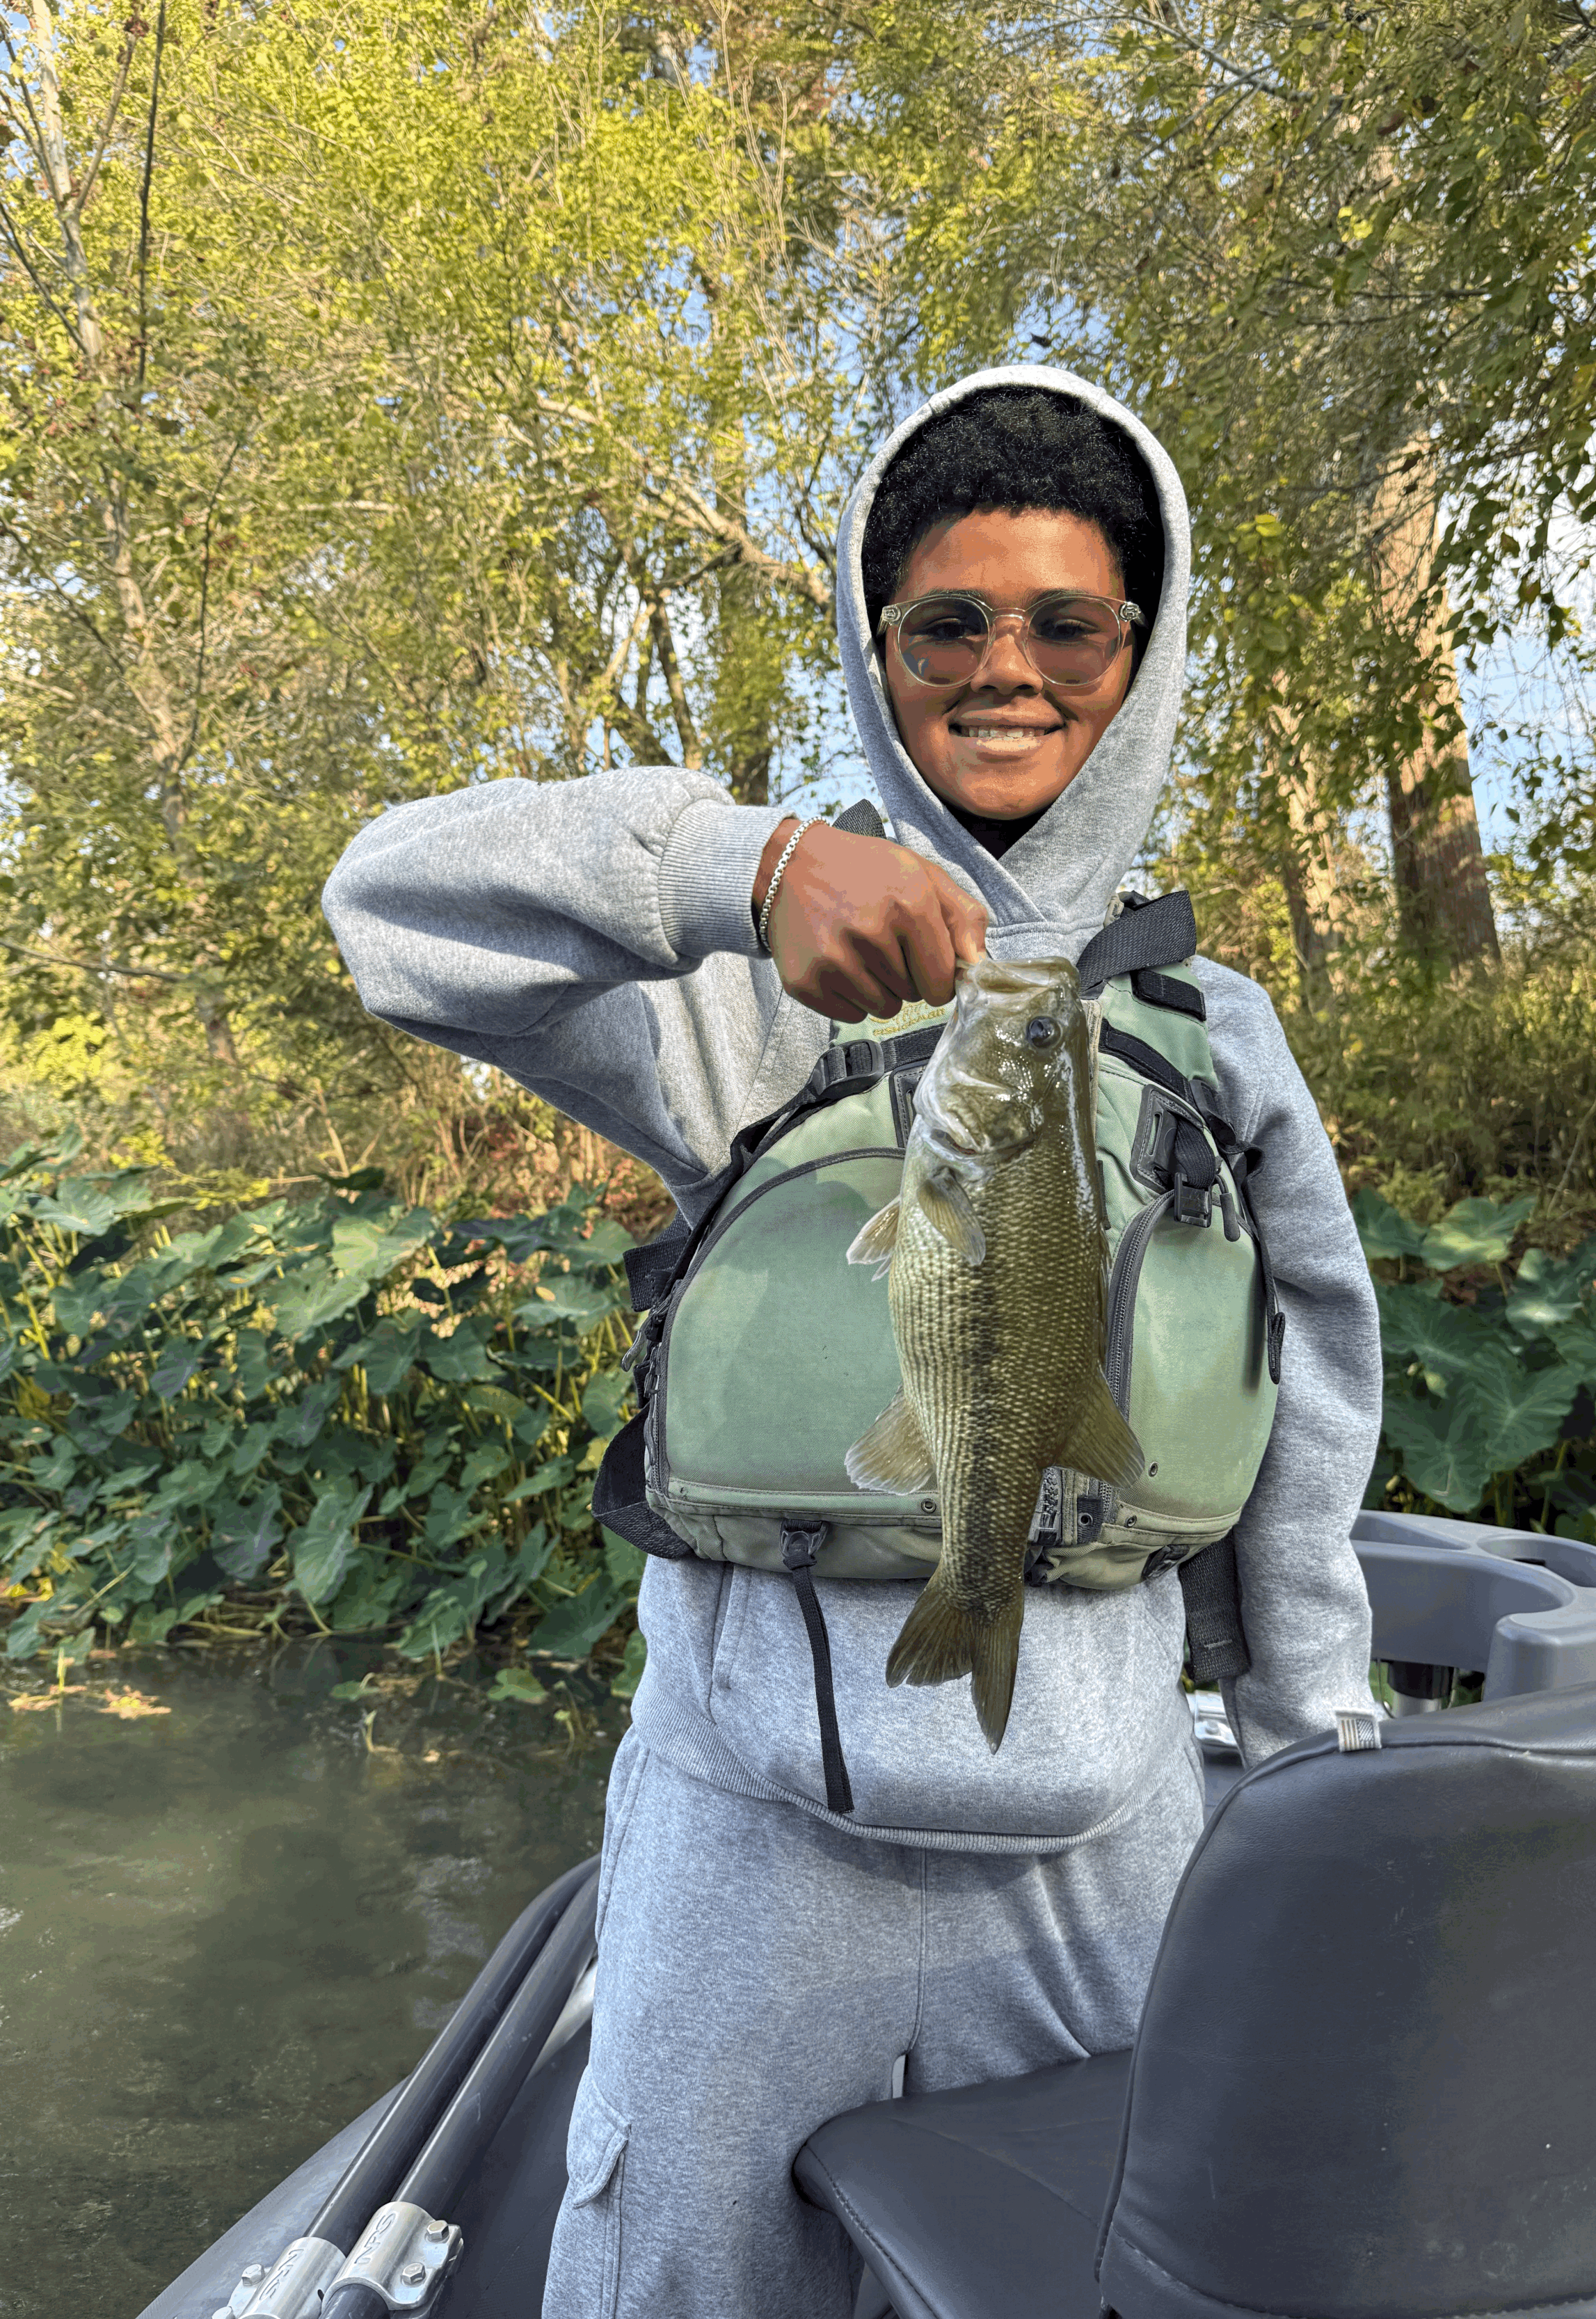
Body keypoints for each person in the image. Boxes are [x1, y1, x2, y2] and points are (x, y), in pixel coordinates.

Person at [322, 367, 1381, 2319]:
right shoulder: (747, 991)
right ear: (876, 650)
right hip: (754, 1859)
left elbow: (1308, 1404)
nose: (1008, 664)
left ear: (1135, 660)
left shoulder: (1213, 1026)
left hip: (1111, 1848)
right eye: (947, 622)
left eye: (1068, 622)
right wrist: (734, 869)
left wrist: (1312, 1756)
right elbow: (384, 917)